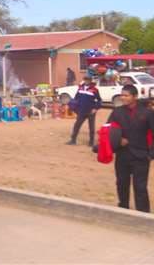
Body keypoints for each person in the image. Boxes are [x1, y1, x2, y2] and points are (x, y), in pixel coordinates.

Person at [107, 84, 154, 212]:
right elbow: (108, 130)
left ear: (135, 97)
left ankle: (143, 214)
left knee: (140, 187)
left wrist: (151, 154)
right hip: (122, 155)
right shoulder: (117, 112)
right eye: (122, 95)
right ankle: (123, 209)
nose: (123, 98)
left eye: (126, 95)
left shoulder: (148, 113)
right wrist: (117, 140)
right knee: (122, 184)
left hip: (141, 156)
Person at [66, 74, 102, 146]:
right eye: (85, 79)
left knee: (91, 127)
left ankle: (91, 142)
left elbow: (99, 100)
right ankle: (73, 140)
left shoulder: (94, 90)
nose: (86, 81)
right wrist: (73, 106)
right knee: (77, 125)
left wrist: (95, 108)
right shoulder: (80, 88)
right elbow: (76, 98)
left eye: (88, 79)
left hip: (91, 111)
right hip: (81, 111)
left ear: (90, 81)